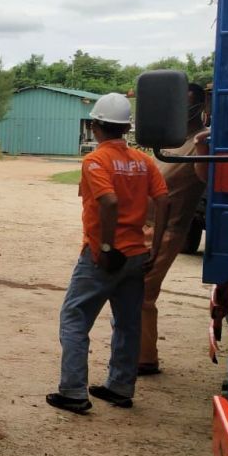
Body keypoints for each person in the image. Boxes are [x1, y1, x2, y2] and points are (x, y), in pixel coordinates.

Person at [47, 93, 168, 414]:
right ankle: (120, 386)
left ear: (97, 126)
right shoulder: (143, 162)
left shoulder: (96, 161)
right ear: (126, 127)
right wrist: (154, 248)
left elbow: (109, 201)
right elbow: (163, 199)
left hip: (104, 256)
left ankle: (73, 391)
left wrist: (105, 246)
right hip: (136, 255)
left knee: (74, 319)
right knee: (128, 322)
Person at [138, 82, 209, 375]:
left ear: (200, 106)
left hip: (168, 229)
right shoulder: (169, 138)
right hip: (146, 226)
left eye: (189, 103)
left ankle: (144, 359)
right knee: (133, 291)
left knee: (143, 292)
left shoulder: (198, 141)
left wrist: (205, 145)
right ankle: (139, 353)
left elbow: (205, 176)